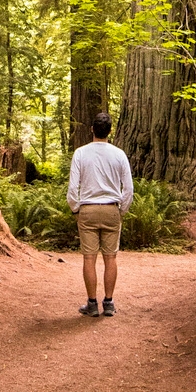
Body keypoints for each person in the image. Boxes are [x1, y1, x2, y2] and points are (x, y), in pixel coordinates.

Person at [66, 113, 133, 316]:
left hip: (88, 209)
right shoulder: (119, 154)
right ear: (110, 132)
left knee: (89, 258)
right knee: (110, 257)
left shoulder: (80, 153)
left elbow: (72, 189)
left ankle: (92, 303)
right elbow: (128, 189)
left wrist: (76, 209)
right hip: (111, 209)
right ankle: (109, 303)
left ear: (92, 129)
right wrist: (121, 211)